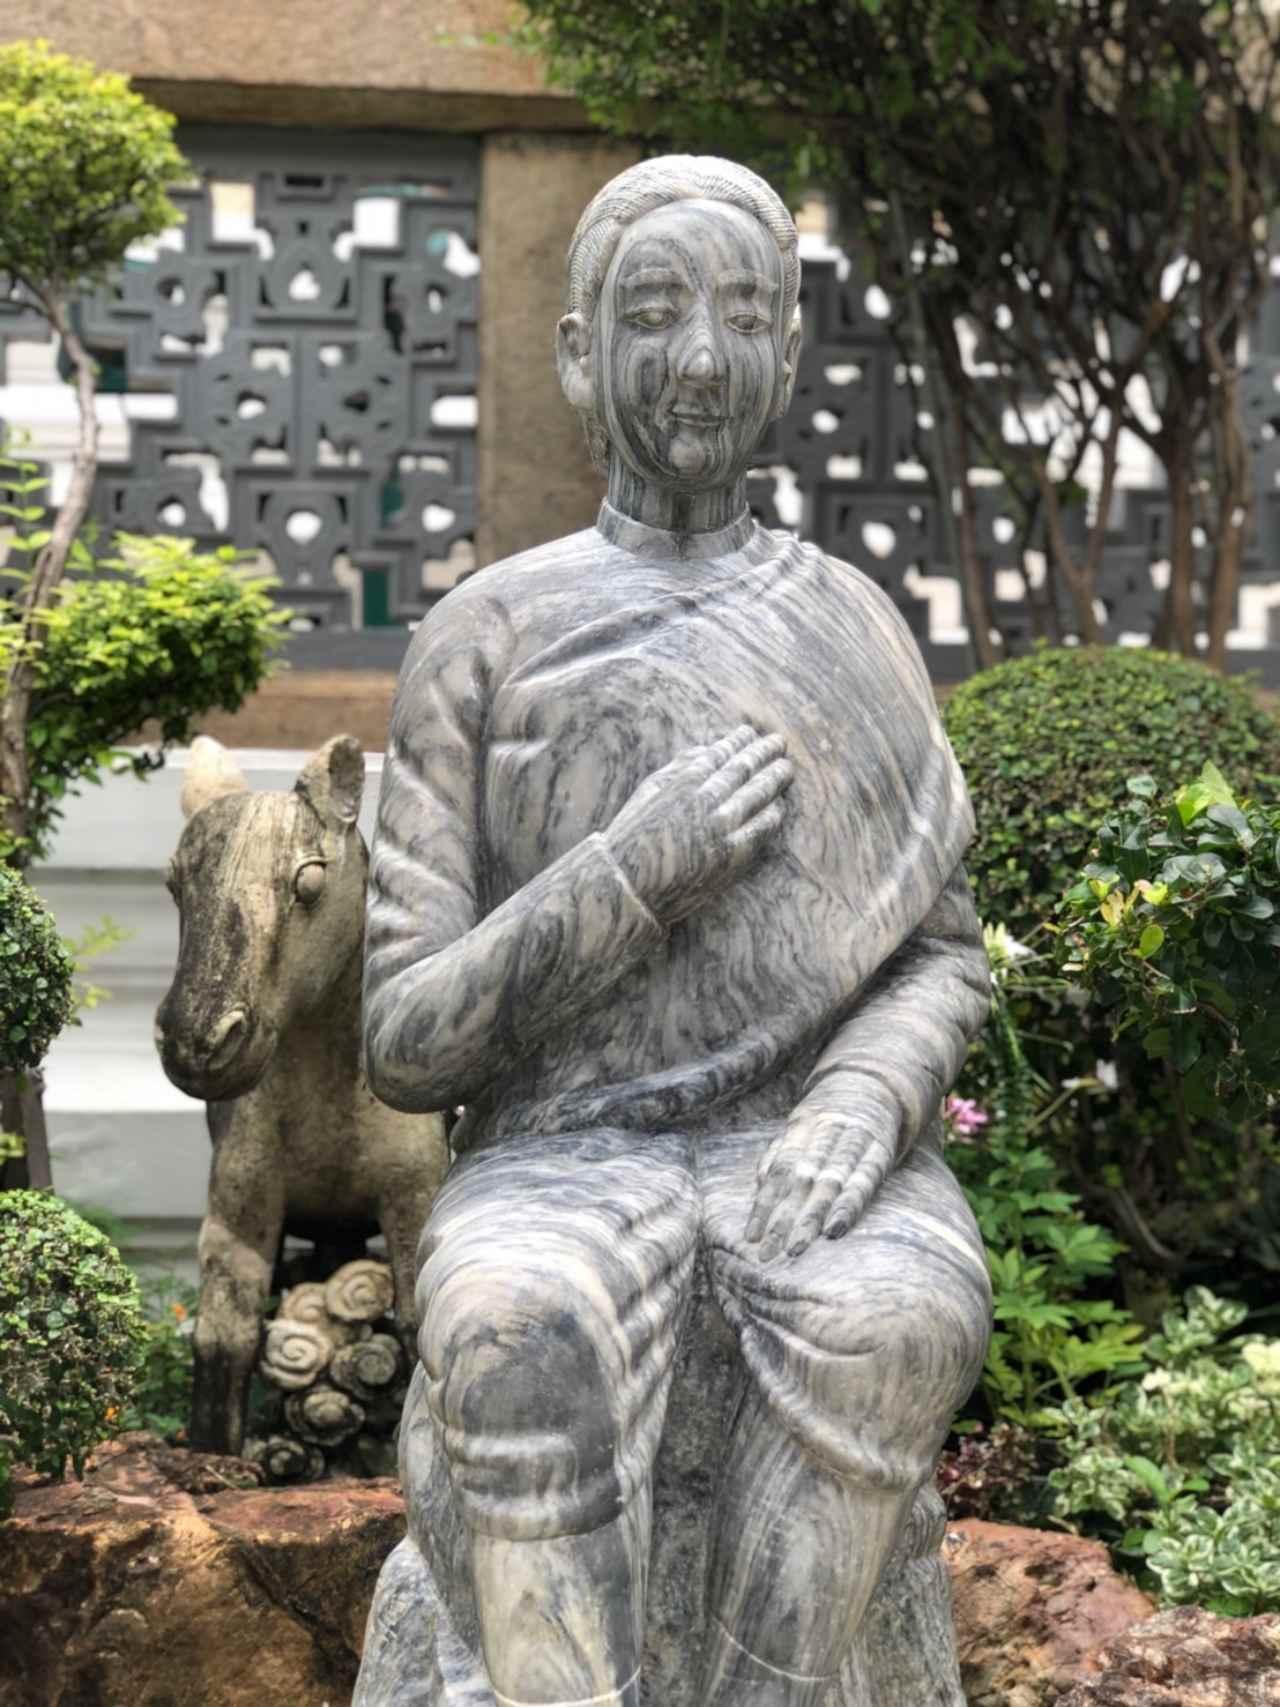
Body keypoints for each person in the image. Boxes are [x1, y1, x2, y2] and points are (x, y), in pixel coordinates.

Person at [362, 155, 992, 1707]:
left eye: (744, 317)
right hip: (561, 1154)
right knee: (515, 1326)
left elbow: (939, 953)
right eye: (653, 317)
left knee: (897, 1316)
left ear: (789, 350)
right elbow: (407, 1040)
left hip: (800, 1146)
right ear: (580, 354)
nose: (701, 359)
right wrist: (629, 875)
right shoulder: (487, 634)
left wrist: (861, 1101)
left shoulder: (853, 626)